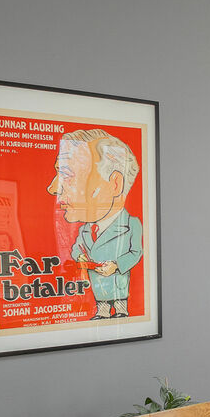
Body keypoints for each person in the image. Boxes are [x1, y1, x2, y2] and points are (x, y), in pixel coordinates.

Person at [46, 128, 143, 319]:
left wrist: (116, 265)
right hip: (98, 281)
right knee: (102, 300)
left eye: (67, 174)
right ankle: (103, 312)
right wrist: (80, 257)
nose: (52, 189)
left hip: (117, 279)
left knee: (119, 298)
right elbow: (77, 248)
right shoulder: (85, 229)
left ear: (115, 184)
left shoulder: (132, 224)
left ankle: (121, 310)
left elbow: (136, 253)